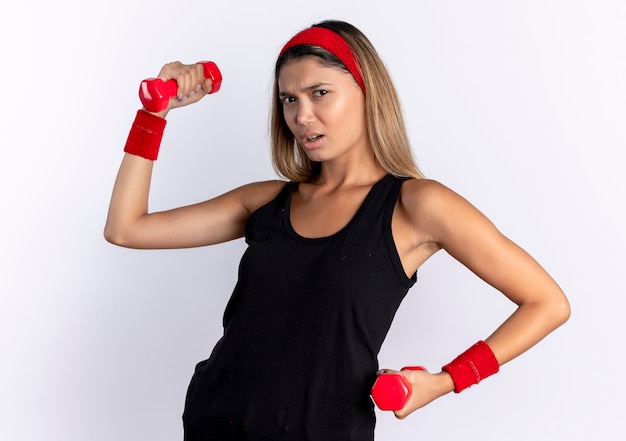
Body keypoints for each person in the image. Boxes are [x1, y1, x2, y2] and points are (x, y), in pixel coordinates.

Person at [104, 19, 570, 441]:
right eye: (289, 99)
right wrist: (154, 114)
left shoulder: (416, 205)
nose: (301, 116)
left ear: (366, 90)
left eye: (319, 93)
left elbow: (547, 303)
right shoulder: (267, 201)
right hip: (215, 422)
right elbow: (127, 229)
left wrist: (446, 381)